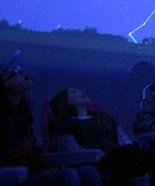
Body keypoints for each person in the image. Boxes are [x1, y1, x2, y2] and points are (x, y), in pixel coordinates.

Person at [1, 50, 100, 186]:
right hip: (13, 175)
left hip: (31, 170)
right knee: (67, 176)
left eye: (19, 69)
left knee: (88, 172)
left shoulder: (23, 111)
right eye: (14, 72)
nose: (21, 72)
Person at [49, 87, 155, 186]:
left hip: (121, 155)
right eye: (74, 92)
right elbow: (71, 150)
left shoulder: (105, 117)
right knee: (124, 155)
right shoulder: (62, 123)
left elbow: (123, 139)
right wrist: (97, 154)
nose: (82, 91)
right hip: (94, 161)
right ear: (65, 102)